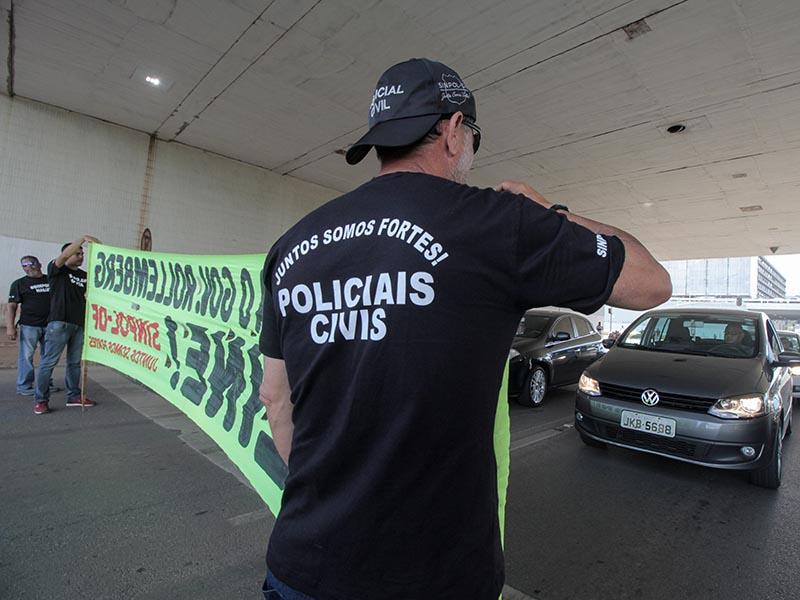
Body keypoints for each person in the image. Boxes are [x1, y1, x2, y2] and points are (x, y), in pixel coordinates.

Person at [259, 58, 671, 600]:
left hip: (303, 565)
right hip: (435, 575)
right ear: (454, 132)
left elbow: (275, 398)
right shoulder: (501, 222)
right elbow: (650, 282)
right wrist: (549, 210)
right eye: (473, 137)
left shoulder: (292, 246)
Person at [33, 235, 101, 415]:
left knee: (74, 363)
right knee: (48, 363)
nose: (80, 256)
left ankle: (74, 396)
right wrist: (81, 240)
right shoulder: (57, 271)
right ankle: (40, 400)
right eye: (77, 253)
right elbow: (63, 257)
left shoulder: (85, 277)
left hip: (79, 324)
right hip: (59, 323)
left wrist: (99, 247)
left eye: (82, 254)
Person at [6, 256, 58, 395]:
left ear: (39, 264)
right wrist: (10, 326)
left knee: (48, 356)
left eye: (31, 263)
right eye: (24, 265)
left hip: (51, 325)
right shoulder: (19, 284)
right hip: (29, 326)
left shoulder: (51, 280)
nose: (29, 267)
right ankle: (24, 385)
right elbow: (12, 306)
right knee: (26, 355)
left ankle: (45, 384)